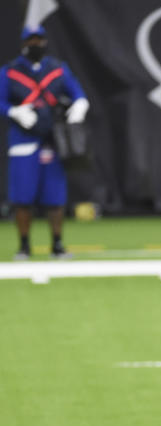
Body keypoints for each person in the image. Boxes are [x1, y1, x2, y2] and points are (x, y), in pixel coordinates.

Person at [1, 25, 88, 260]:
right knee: (22, 197)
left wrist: (80, 105)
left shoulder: (57, 69)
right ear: (23, 44)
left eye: (39, 40)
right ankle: (24, 246)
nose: (35, 45)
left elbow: (77, 93)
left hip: (53, 140)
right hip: (23, 141)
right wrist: (14, 112)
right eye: (31, 41)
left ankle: (57, 245)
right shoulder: (10, 71)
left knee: (55, 197)